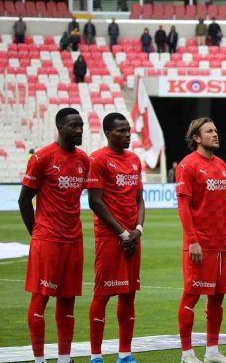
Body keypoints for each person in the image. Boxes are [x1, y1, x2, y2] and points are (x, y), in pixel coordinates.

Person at [18, 108, 90, 363]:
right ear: (60, 128)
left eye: (81, 126)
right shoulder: (42, 158)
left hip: (74, 241)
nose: (79, 130)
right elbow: (24, 200)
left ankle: (64, 359)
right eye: (74, 126)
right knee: (40, 300)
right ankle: (39, 359)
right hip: (47, 240)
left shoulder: (83, 160)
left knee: (68, 302)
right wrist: (37, 233)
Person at [176, 117, 226, 363]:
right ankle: (186, 354)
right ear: (196, 138)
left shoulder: (222, 165)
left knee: (217, 298)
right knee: (191, 296)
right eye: (209, 131)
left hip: (221, 243)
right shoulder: (188, 165)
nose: (215, 134)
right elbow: (183, 206)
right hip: (200, 244)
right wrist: (192, 240)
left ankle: (212, 352)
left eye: (216, 130)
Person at [87, 113, 145, 363]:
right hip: (110, 238)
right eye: (121, 131)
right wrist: (122, 233)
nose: (127, 134)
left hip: (133, 238)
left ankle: (125, 354)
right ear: (108, 133)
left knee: (129, 294)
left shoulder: (134, 159)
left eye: (128, 130)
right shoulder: (98, 159)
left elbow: (139, 199)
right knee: (102, 294)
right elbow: (95, 201)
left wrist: (138, 230)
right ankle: (96, 356)